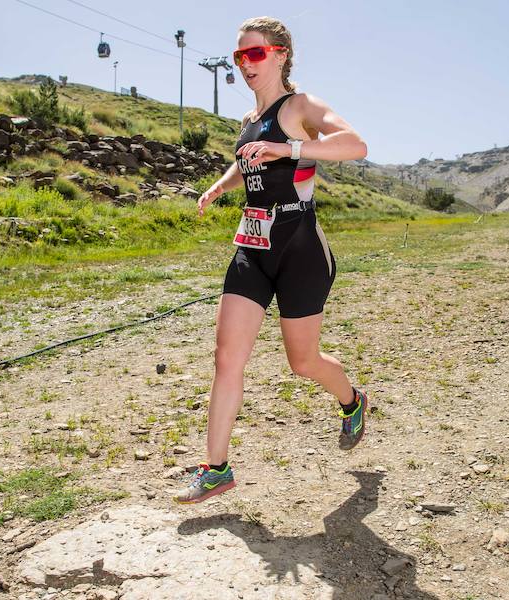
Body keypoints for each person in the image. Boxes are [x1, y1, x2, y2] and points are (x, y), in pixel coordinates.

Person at [173, 16, 370, 504]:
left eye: (255, 53)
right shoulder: (248, 122)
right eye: (240, 56)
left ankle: (352, 400)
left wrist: (290, 146)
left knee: (302, 362)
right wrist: (220, 186)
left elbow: (355, 144)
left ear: (281, 53)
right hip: (252, 246)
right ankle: (216, 468)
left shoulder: (301, 107)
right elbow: (248, 162)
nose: (245, 64)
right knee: (226, 359)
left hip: (300, 246)